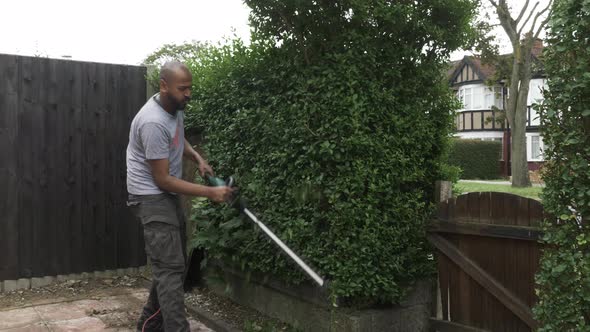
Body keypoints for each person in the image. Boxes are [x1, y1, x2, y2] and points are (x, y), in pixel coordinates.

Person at [126, 61, 233, 332]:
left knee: (171, 266)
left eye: (190, 88)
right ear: (164, 85)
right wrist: (210, 192)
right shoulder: (151, 121)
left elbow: (177, 135)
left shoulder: (173, 107)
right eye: (182, 88)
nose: (188, 94)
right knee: (171, 271)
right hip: (151, 196)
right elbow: (162, 179)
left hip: (166, 194)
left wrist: (197, 157)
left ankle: (148, 327)